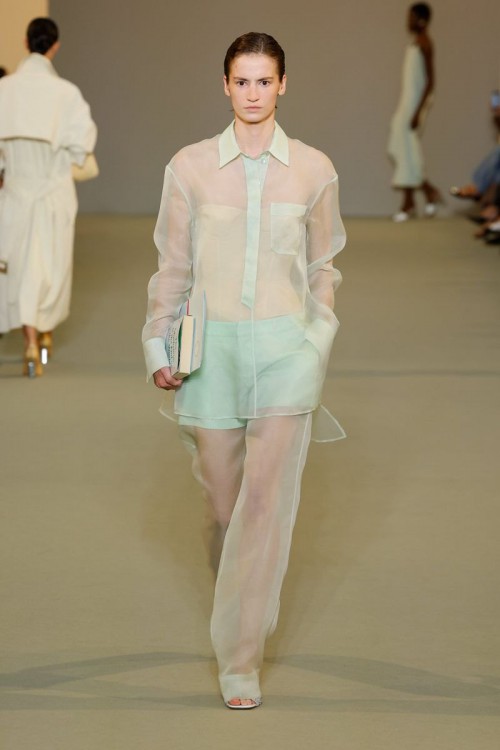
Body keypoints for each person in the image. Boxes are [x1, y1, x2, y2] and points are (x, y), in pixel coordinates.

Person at [142, 32, 346, 709]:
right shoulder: (190, 167)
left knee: (263, 507)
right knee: (224, 507)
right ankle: (238, 606)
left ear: (282, 84)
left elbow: (324, 265)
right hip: (212, 354)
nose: (253, 93)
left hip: (286, 354)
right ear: (225, 85)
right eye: (241, 81)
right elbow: (173, 266)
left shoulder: (313, 169)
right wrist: (159, 346)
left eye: (264, 81)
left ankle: (240, 660)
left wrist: (318, 338)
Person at [0, 17, 97, 376]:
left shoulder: (4, 89)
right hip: (54, 191)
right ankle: (43, 335)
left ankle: (29, 339)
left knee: (21, 265)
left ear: (26, 43)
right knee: (50, 265)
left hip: (16, 191)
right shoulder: (66, 94)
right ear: (54, 46)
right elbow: (82, 146)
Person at [388, 3, 441, 222]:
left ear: (421, 19)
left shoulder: (425, 43)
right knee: (400, 148)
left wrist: (419, 111)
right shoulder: (415, 42)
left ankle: (409, 203)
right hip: (407, 102)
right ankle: (427, 192)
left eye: (411, 17)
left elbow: (430, 81)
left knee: (409, 151)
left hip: (415, 105)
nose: (407, 21)